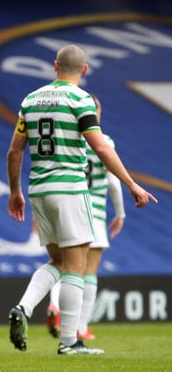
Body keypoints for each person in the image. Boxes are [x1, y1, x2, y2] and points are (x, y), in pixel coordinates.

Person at [6, 44, 157, 355]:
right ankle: (70, 342)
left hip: (38, 190)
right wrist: (131, 184)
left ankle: (23, 307)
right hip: (71, 189)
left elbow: (14, 150)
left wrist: (15, 191)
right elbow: (101, 148)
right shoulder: (81, 99)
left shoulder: (30, 100)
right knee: (77, 266)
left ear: (54, 66)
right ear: (84, 70)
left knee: (57, 262)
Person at [44, 95, 126, 341]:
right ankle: (80, 327)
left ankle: (55, 305)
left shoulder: (67, 142)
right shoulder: (104, 142)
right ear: (95, 114)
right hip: (94, 212)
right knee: (88, 271)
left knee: (64, 265)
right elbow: (113, 181)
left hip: (66, 206)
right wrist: (120, 213)